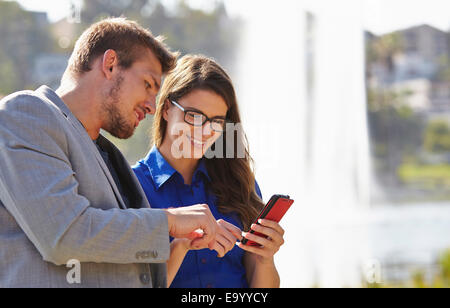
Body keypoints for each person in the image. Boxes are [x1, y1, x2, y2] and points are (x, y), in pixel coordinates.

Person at [0, 18, 219, 288]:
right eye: (148, 84)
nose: (152, 106)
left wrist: (178, 246)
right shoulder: (26, 113)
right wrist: (169, 222)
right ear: (110, 63)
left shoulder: (107, 154)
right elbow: (64, 234)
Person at [133, 55, 286, 288]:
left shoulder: (240, 183)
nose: (205, 131)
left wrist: (265, 259)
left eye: (216, 121)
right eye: (194, 116)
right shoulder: (132, 187)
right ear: (166, 109)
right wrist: (182, 243)